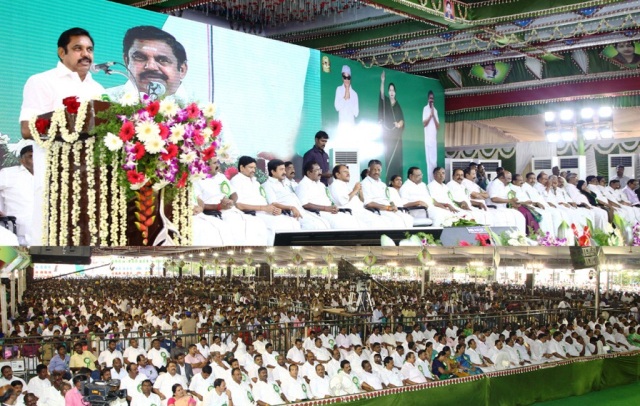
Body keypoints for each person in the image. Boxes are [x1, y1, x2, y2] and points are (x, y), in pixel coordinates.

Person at [19, 27, 106, 245]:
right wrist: (72, 125)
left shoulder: (98, 89)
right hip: (55, 176)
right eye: (78, 48)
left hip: (92, 178)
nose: (85, 54)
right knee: (50, 237)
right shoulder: (42, 81)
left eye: (89, 49)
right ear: (61, 52)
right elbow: (27, 129)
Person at [195, 158, 269, 245]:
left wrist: (231, 202)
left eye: (217, 162)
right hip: (217, 212)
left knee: (258, 223)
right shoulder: (197, 180)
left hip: (231, 209)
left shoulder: (221, 177)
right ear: (205, 165)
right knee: (237, 227)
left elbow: (234, 194)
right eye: (215, 163)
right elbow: (199, 204)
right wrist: (219, 206)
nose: (218, 165)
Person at [230, 155, 300, 244]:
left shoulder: (256, 182)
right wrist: (263, 208)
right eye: (250, 167)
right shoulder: (236, 181)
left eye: (254, 168)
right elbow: (238, 205)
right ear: (241, 168)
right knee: (279, 225)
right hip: (253, 213)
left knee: (292, 222)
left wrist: (275, 210)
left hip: (264, 211)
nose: (253, 170)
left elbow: (266, 203)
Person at [110, 25, 189, 100]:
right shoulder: (105, 99)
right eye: (140, 57)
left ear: (182, 70)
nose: (151, 66)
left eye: (162, 60)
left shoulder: (196, 106)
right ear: (127, 61)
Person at [262, 158, 329, 230]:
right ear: (273, 172)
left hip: (301, 210)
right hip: (290, 213)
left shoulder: (286, 183)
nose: (284, 172)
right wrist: (291, 208)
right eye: (281, 170)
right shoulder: (267, 185)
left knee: (324, 223)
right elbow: (273, 203)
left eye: (284, 169)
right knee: (313, 226)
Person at [295, 161, 359, 229]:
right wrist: (326, 208)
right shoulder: (303, 185)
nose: (320, 172)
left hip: (330, 211)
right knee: (341, 224)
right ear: (309, 173)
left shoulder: (321, 185)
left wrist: (333, 207)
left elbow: (329, 200)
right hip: (318, 213)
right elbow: (305, 204)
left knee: (350, 220)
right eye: (317, 170)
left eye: (320, 170)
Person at [328, 164, 392, 229]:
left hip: (361, 211)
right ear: (337, 175)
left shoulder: (347, 186)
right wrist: (355, 190)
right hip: (350, 213)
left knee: (382, 222)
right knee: (376, 224)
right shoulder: (335, 185)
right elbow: (342, 201)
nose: (348, 173)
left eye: (348, 171)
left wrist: (360, 192)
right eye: (345, 171)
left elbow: (362, 201)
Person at [361, 160, 413, 228]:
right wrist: (387, 207)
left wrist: (393, 206)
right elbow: (368, 203)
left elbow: (389, 199)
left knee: (408, 218)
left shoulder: (382, 184)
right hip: (377, 211)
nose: (377, 172)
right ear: (369, 170)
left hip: (388, 209)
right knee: (396, 220)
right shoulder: (364, 184)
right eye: (374, 169)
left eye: (379, 170)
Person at [0, 144, 34, 245]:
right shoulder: (8, 173)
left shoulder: (47, 176)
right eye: (31, 156)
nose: (35, 160)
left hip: (43, 236)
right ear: (22, 160)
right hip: (15, 236)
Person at [379, 71, 405, 179]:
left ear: (395, 92)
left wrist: (398, 124)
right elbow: (381, 96)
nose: (391, 92)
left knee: (397, 159)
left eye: (393, 90)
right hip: (387, 136)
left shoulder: (397, 105)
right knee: (388, 157)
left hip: (396, 137)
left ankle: (398, 179)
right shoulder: (386, 103)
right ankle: (390, 180)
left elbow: (402, 120)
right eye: (389, 90)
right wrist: (382, 81)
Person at [422, 91, 440, 182]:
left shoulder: (435, 110)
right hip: (428, 140)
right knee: (429, 162)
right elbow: (424, 123)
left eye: (432, 98)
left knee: (434, 162)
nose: (431, 100)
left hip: (434, 140)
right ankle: (430, 182)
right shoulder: (425, 109)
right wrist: (430, 115)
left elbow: (438, 126)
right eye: (430, 98)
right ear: (427, 99)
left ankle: (435, 181)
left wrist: (434, 115)